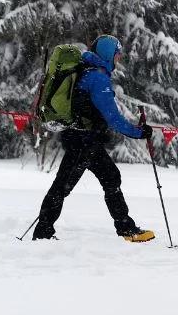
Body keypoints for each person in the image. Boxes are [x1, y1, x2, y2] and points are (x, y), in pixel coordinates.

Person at [33, 35, 154, 242]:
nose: (118, 59)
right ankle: (43, 232)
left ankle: (126, 228)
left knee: (111, 177)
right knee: (63, 186)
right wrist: (139, 132)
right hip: (82, 141)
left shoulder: (88, 72)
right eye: (117, 54)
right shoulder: (98, 78)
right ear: (108, 54)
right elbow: (113, 118)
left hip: (86, 140)